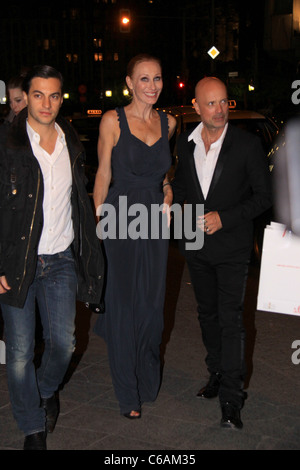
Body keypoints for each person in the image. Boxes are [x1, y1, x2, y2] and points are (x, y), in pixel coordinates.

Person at [0, 65, 104, 450]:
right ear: (25, 96)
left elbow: (79, 201)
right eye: (38, 95)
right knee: (20, 353)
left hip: (60, 258)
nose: (47, 103)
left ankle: (45, 392)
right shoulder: (7, 143)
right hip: (17, 262)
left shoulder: (71, 141)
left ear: (63, 98)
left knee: (63, 344)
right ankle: (32, 427)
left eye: (55, 95)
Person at [172, 77, 272, 429]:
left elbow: (263, 197)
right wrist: (172, 198)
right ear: (196, 107)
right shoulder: (186, 144)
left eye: (223, 102)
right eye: (210, 104)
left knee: (230, 320)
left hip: (232, 248)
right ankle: (216, 372)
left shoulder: (246, 145)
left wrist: (224, 218)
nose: (219, 110)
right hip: (196, 247)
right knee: (207, 315)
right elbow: (185, 186)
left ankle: (232, 397)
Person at [93, 53, 176, 419]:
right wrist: (98, 223)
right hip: (119, 216)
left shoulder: (170, 123)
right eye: (144, 79)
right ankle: (128, 392)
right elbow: (102, 175)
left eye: (157, 78)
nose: (152, 86)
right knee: (125, 305)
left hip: (154, 222)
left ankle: (146, 371)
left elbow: (165, 174)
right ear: (129, 83)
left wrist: (169, 192)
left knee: (152, 306)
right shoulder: (112, 120)